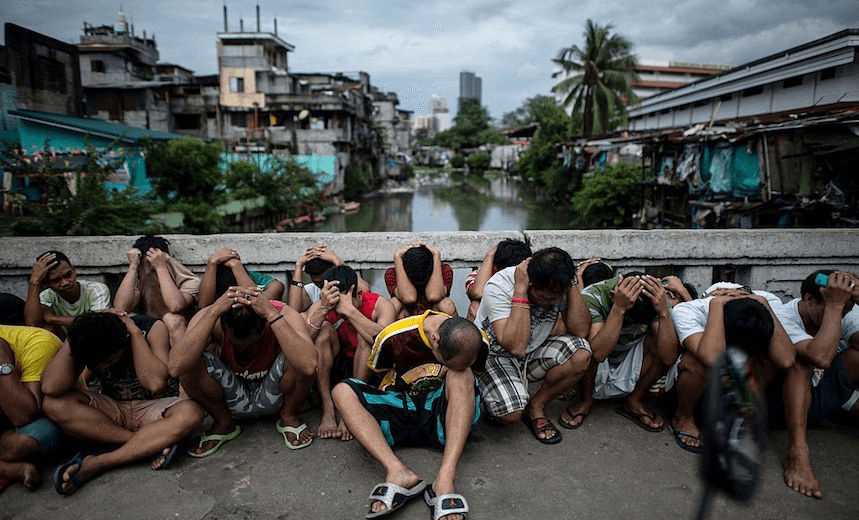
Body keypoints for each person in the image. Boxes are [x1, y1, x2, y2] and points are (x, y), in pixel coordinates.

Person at [332, 311, 488, 520]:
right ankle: (398, 471)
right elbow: (379, 370)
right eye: (446, 360)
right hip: (401, 409)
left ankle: (445, 479)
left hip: (443, 418)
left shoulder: (480, 342)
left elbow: (474, 375)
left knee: (463, 374)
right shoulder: (394, 336)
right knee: (342, 391)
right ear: (435, 340)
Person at [41, 311, 205, 495]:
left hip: (155, 408)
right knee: (52, 404)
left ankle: (99, 462)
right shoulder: (87, 340)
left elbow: (155, 383)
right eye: (98, 364)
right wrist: (75, 335)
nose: (103, 367)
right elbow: (50, 388)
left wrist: (134, 333)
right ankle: (147, 446)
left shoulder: (150, 328)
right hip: (114, 409)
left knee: (192, 413)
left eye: (110, 360)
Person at [168, 285, 317, 456]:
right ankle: (223, 422)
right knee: (188, 363)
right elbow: (175, 367)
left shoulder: (282, 313)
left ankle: (289, 414)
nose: (246, 351)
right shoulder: (212, 317)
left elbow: (309, 364)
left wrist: (271, 314)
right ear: (223, 329)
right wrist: (213, 311)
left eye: (254, 344)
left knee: (300, 354)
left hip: (273, 393)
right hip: (231, 396)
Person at [475, 247, 592, 444]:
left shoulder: (558, 285)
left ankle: (536, 406)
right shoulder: (500, 285)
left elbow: (581, 330)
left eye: (557, 297)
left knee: (581, 353)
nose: (553, 302)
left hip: (533, 350)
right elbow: (516, 347)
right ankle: (492, 401)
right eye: (546, 298)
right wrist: (520, 291)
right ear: (530, 282)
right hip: (495, 355)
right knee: (511, 413)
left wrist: (569, 284)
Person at [667, 283, 795, 453]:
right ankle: (683, 417)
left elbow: (786, 359)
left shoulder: (768, 301)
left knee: (771, 356)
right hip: (696, 388)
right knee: (697, 361)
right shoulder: (689, 310)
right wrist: (717, 304)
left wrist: (762, 302)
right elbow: (712, 358)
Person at [772, 270, 859, 499]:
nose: (841, 317)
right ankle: (798, 453)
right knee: (800, 362)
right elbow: (820, 357)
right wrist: (834, 306)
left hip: (821, 397)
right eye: (835, 309)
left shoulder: (842, 307)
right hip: (782, 404)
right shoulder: (782, 316)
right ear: (809, 300)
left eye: (845, 311)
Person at [569, 273, 679, 431]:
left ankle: (634, 401)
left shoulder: (654, 297)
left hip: (629, 357)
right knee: (585, 346)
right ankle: (585, 401)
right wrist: (619, 309)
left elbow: (668, 358)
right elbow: (597, 354)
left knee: (662, 341)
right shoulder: (592, 295)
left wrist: (663, 312)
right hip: (598, 360)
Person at [304, 265, 396, 440]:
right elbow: (302, 345)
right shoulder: (324, 305)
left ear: (359, 295)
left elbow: (387, 345)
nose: (339, 309)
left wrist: (351, 312)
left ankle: (351, 407)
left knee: (365, 337)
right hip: (338, 365)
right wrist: (323, 309)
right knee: (322, 332)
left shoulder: (380, 305)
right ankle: (329, 409)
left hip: (370, 370)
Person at [0, 324, 63, 492]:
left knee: (35, 438)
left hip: (34, 419)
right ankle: (10, 469)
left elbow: (23, 415)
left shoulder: (38, 343)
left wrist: (2, 365)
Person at [113, 235, 200, 347]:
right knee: (125, 319)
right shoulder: (137, 277)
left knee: (173, 320)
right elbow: (120, 308)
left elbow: (175, 305)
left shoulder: (187, 280)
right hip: (146, 331)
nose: (150, 268)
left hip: (175, 335)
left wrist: (160, 268)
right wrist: (133, 266)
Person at [24, 251, 110, 337]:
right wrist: (34, 282)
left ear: (74, 271)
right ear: (47, 284)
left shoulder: (96, 290)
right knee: (47, 330)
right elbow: (32, 326)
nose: (65, 283)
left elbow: (98, 325)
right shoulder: (46, 296)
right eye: (56, 280)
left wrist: (52, 318)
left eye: (68, 275)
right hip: (64, 342)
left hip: (94, 341)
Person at [464, 238, 532, 321]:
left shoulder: (531, 276)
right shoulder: (482, 275)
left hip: (522, 315)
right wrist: (490, 255)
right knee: (475, 307)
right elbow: (478, 293)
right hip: (496, 315)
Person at [386, 242, 457, 319]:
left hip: (433, 317)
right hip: (406, 317)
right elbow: (409, 298)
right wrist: (397, 257)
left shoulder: (444, 270)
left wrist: (436, 255)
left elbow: (434, 296)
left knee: (446, 304)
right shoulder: (392, 273)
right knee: (394, 304)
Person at [289, 244, 368, 313]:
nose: (322, 286)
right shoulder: (312, 290)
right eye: (317, 283)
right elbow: (294, 310)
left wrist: (337, 261)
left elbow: (365, 291)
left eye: (323, 281)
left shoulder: (345, 286)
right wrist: (298, 266)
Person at [197, 247, 285, 308]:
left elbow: (257, 304)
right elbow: (204, 306)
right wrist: (212, 263)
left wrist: (236, 265)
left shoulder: (273, 285)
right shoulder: (212, 283)